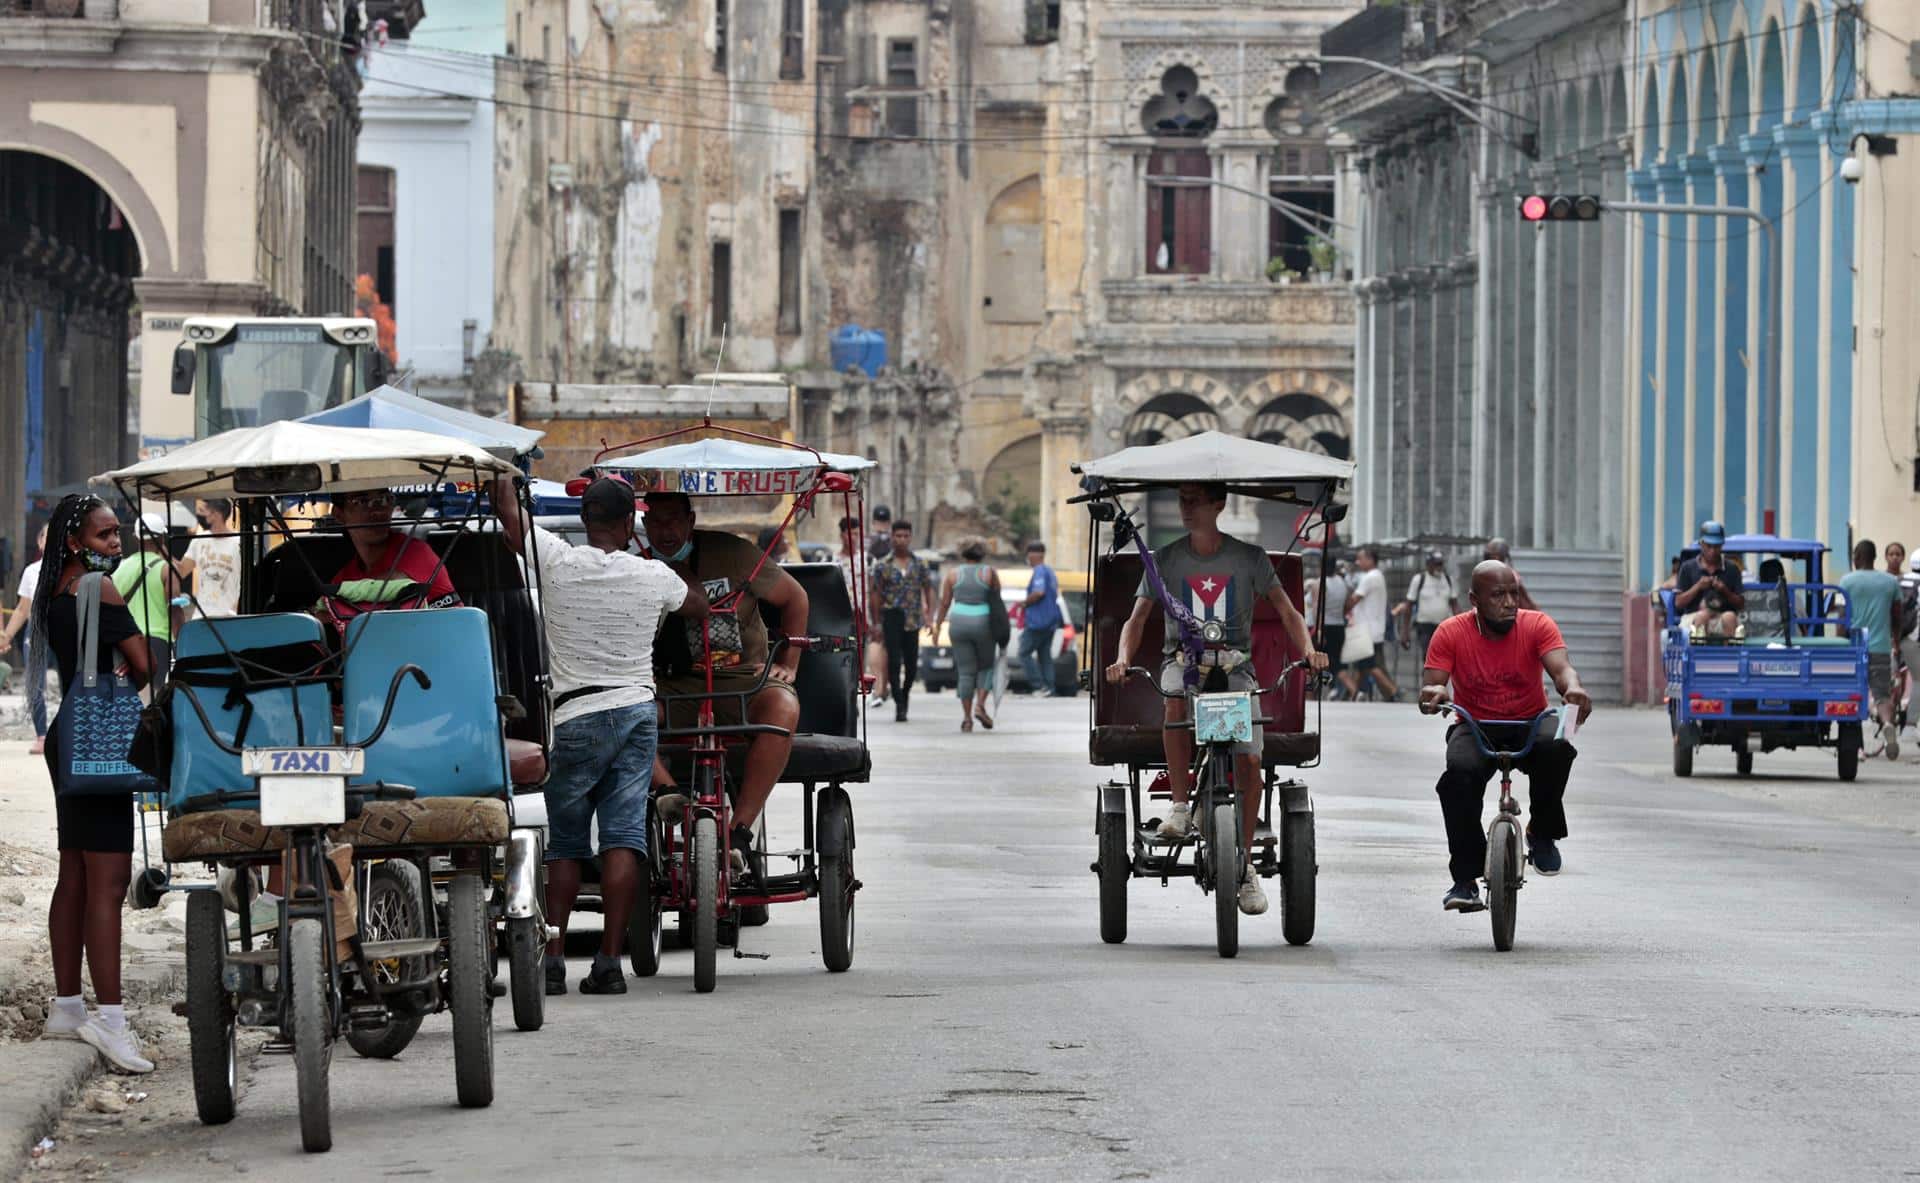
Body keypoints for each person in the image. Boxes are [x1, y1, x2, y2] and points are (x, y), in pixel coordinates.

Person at [491, 476, 705, 996]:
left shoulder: (556, 561)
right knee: (623, 838)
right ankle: (610, 962)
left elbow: (508, 514)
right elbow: (696, 604)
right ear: (632, 523)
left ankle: (555, 961)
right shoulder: (652, 575)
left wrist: (504, 474)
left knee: (565, 846)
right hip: (634, 714)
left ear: (585, 520)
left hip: (576, 716)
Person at [1104, 481, 1328, 917]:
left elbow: (1288, 612)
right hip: (1183, 664)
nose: (1186, 509)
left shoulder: (1249, 558)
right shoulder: (1165, 560)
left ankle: (1244, 866)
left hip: (1236, 669)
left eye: (1195, 501)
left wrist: (1309, 652)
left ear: (1218, 505)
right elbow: (1137, 618)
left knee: (1249, 761)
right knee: (1172, 697)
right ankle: (1182, 806)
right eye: (1181, 501)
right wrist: (1121, 659)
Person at [30, 495, 155, 1073]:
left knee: (74, 872)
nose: (117, 543)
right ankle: (110, 1019)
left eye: (119, 533)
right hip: (102, 734)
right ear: (77, 539)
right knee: (107, 881)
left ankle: (67, 1006)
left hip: (68, 732)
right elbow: (146, 664)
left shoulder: (52, 589)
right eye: (106, 535)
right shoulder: (99, 590)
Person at [642, 492, 807, 880]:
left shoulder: (733, 553)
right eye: (656, 522)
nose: (665, 531)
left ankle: (740, 832)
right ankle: (669, 794)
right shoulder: (638, 567)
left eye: (673, 521)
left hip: (743, 683)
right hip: (674, 688)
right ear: (645, 525)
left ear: (690, 520)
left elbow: (795, 598)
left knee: (783, 709)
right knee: (627, 715)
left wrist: (789, 664)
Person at [1418, 561, 1592, 913]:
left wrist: (1573, 689)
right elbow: (1433, 682)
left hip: (1529, 719)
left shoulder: (1537, 625)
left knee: (1557, 746)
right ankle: (1465, 880)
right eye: (1498, 595)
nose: (1510, 602)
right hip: (1474, 723)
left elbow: (1562, 669)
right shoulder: (1451, 632)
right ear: (1474, 599)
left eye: (1513, 593)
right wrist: (1433, 695)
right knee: (1457, 777)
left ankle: (1542, 832)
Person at [321, 488, 461, 634]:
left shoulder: (415, 551)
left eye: (385, 499)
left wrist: (332, 604)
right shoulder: (344, 578)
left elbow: (396, 583)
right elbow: (323, 611)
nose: (378, 511)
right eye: (362, 502)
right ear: (338, 514)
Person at [1838, 539, 1903, 757]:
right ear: (1876, 557)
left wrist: (1841, 645)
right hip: (1880, 647)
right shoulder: (1890, 582)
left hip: (1854, 649)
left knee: (1853, 697)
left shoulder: (1847, 581)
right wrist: (1896, 641)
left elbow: (1841, 618)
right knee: (1883, 695)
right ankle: (1887, 724)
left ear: (1856, 557)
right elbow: (1897, 616)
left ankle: (1856, 748)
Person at [869, 519, 935, 722]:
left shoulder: (919, 564)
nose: (902, 540)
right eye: (898, 536)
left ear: (910, 537)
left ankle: (905, 694)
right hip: (892, 617)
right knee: (894, 663)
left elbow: (928, 589)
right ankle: (898, 702)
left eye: (906, 536)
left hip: (913, 619)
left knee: (912, 665)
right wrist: (877, 622)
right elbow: (876, 594)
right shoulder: (883, 565)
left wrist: (930, 616)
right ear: (892, 537)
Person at [933, 540, 1002, 732]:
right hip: (984, 623)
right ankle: (980, 706)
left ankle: (966, 718)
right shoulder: (989, 573)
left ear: (964, 556)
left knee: (965, 671)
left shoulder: (953, 574)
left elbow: (945, 602)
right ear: (982, 556)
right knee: (986, 667)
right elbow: (997, 602)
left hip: (959, 623)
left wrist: (937, 627)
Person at [1, 524, 51, 753]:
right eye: (46, 537)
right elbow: (22, 609)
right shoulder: (32, 571)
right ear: (39, 542)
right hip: (37, 632)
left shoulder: (76, 570)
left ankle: (69, 734)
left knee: (75, 682)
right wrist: (7, 636)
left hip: (65, 631)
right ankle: (42, 735)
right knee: (35, 686)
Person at [1342, 546, 1399, 702]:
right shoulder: (1377, 576)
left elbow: (1354, 599)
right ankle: (1353, 694)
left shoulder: (1370, 577)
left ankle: (1393, 691)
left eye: (1360, 559)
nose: (1358, 562)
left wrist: (1341, 609)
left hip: (1368, 631)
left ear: (1370, 559)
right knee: (1364, 666)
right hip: (1373, 629)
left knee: (1371, 666)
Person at [1673, 520, 1745, 638]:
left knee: (1730, 618)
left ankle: (1731, 655)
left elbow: (1741, 604)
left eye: (1716, 547)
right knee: (1703, 616)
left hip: (1721, 617)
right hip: (1693, 617)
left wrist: (1724, 590)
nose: (1712, 551)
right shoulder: (1687, 567)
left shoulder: (1732, 569)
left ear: (1722, 545)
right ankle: (1699, 654)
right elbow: (1678, 603)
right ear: (1701, 543)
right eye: (1709, 546)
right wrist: (1698, 587)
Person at [175, 498, 241, 620]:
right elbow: (182, 571)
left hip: (229, 616)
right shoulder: (200, 539)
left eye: (203, 511)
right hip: (202, 616)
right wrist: (161, 548)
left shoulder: (238, 542)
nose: (199, 515)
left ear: (216, 514)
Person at [1395, 550, 1458, 666]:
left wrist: (1460, 627)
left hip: (1444, 627)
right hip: (1425, 627)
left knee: (1445, 658)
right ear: (1428, 565)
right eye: (1436, 564)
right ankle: (1429, 682)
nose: (1439, 567)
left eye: (1441, 564)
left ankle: (1439, 681)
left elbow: (1454, 604)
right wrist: (1405, 631)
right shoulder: (1419, 579)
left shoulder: (1448, 580)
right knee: (1429, 657)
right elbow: (1409, 605)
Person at [1017, 540, 1061, 696]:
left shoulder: (1039, 571)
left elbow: (1038, 592)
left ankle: (1038, 685)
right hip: (1050, 621)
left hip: (1038, 622)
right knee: (1044, 655)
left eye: (1028, 554)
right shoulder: (1050, 571)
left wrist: (1024, 603)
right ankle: (1049, 688)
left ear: (1035, 555)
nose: (1028, 558)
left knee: (1023, 652)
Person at [1305, 558, 1351, 700]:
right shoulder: (1342, 583)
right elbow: (1346, 604)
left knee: (1315, 662)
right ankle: (1350, 688)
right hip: (1339, 627)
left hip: (1323, 628)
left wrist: (1318, 630)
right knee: (1335, 662)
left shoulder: (1319, 583)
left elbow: (1317, 609)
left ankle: (1311, 696)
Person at [1483, 537, 1539, 611]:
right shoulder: (1483, 575)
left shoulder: (1510, 574)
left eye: (1497, 555)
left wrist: (1532, 606)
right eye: (1492, 555)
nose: (1495, 558)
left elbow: (1522, 595)